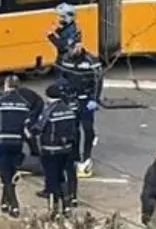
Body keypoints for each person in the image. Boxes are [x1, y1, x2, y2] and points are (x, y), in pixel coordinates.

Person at [30, 83, 80, 217]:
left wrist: (29, 131)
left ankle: (54, 208)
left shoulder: (49, 111)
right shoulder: (68, 110)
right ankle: (67, 206)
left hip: (50, 149)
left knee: (52, 178)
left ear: (48, 96)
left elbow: (39, 128)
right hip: (67, 149)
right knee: (61, 177)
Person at [55, 42, 103, 177]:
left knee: (87, 128)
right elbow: (60, 77)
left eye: (74, 48)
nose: (72, 51)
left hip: (86, 99)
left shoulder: (91, 60)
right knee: (73, 129)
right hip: (71, 98)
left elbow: (98, 80)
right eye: (70, 48)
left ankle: (87, 155)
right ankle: (75, 155)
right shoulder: (65, 59)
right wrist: (63, 94)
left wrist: (95, 98)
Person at [0, 75, 31, 218]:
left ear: (6, 85)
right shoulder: (24, 103)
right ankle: (4, 201)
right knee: (11, 172)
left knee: (5, 174)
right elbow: (27, 123)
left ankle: (14, 204)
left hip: (1, 140)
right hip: (17, 142)